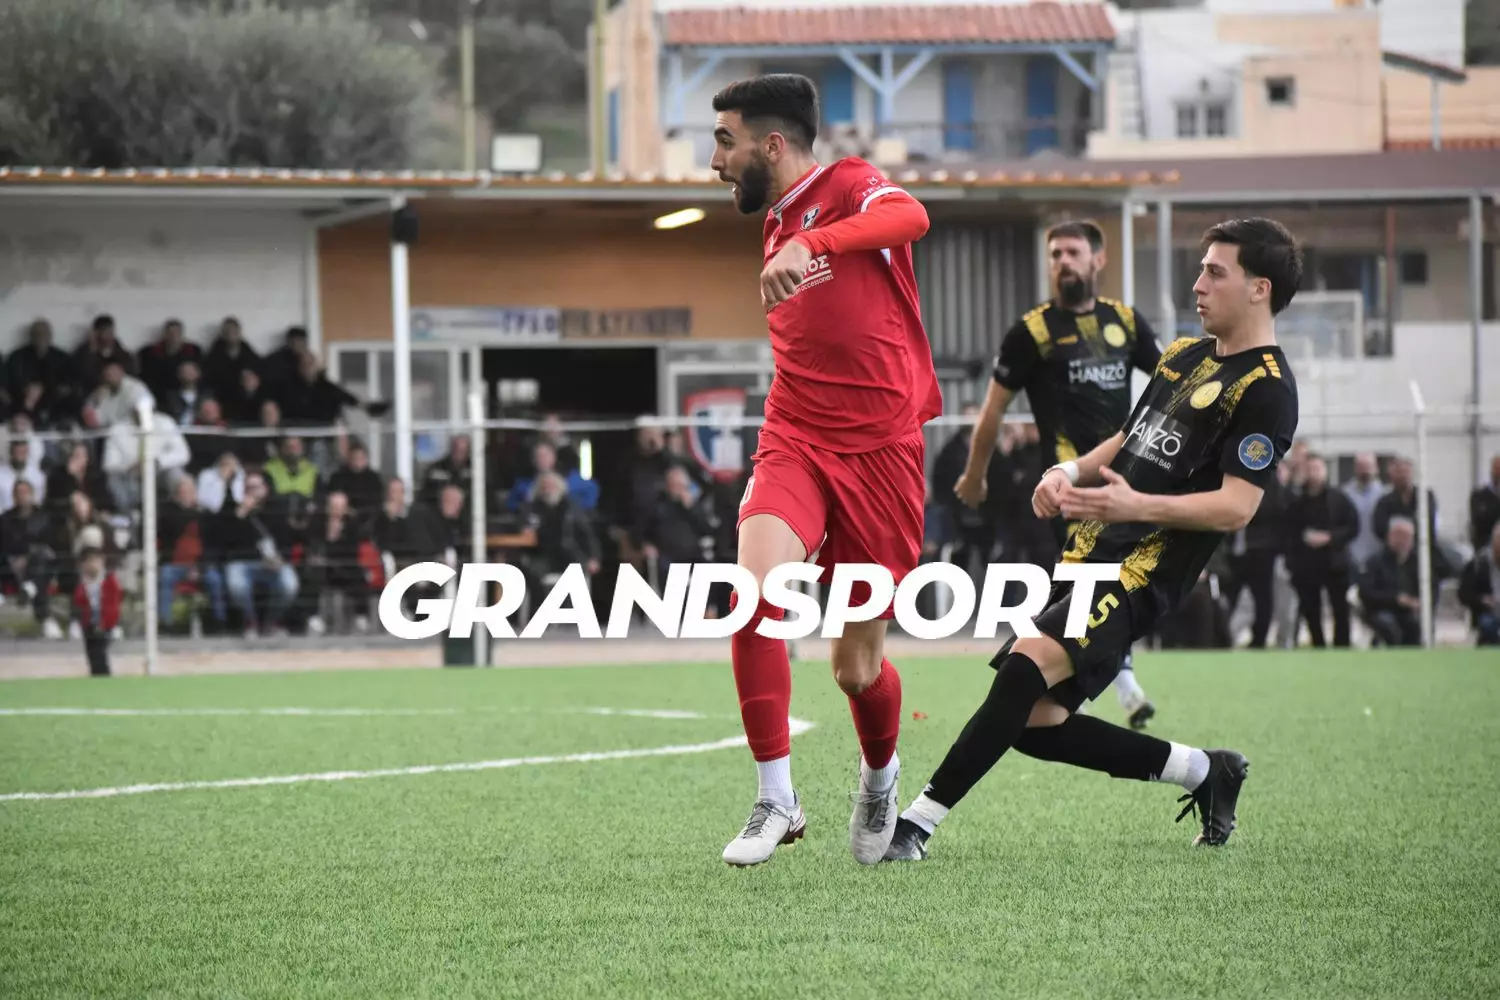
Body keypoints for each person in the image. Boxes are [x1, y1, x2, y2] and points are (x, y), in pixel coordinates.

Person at [884, 217, 1303, 862]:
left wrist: (1137, 504)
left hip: (1143, 573)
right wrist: (1068, 472)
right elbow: (1130, 437)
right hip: (1088, 552)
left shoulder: (1268, 388)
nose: (1198, 284)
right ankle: (1203, 769)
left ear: (1259, 288)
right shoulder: (1184, 356)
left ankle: (915, 825)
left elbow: (1237, 507)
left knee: (1021, 673)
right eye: (1201, 270)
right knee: (1035, 722)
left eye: (1215, 272)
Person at [708, 73, 942, 866]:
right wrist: (798, 240)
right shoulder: (775, 221)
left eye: (726, 142)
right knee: (753, 597)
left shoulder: (846, 185)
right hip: (796, 437)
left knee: (855, 669)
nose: (715, 162)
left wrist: (817, 240)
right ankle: (777, 798)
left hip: (881, 454)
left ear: (772, 145)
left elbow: (911, 216)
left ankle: (881, 776)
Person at [954, 219, 1164, 729]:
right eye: (1055, 254)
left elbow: (1167, 388)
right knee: (1093, 580)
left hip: (1125, 481)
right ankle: (1112, 686)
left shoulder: (1126, 322)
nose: (1063, 262)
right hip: (1067, 487)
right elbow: (993, 410)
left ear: (1099, 259)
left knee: (1101, 584)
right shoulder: (1031, 332)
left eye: (1072, 252)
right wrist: (975, 475)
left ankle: (1060, 681)